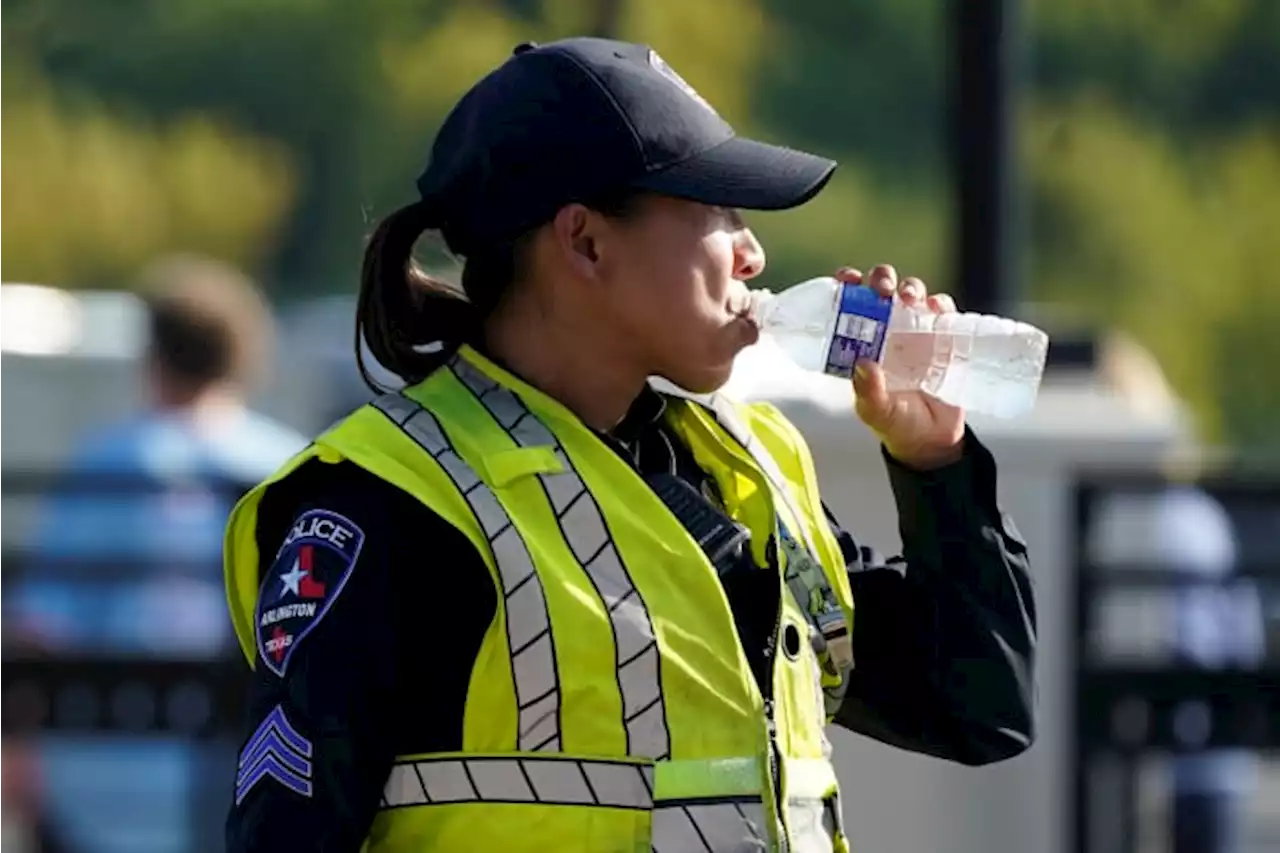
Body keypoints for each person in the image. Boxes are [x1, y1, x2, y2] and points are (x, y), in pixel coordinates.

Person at [222, 37, 1036, 853]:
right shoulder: (391, 504)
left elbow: (980, 708)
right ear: (585, 242)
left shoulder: (739, 469)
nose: (753, 253)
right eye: (719, 210)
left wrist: (936, 464)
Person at [5, 254, 308, 853]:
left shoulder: (107, 462)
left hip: (98, 786)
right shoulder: (289, 469)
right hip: (252, 785)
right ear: (244, 358)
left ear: (154, 356)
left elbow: (40, 629)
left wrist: (17, 751)